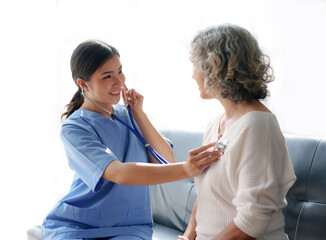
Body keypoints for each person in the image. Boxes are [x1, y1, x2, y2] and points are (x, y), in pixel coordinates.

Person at [42, 39, 222, 240]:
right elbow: (118, 173)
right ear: (83, 84)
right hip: (78, 223)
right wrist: (187, 169)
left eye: (120, 71)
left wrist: (139, 114)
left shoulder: (130, 116)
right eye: (107, 76)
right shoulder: (74, 128)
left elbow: (165, 158)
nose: (119, 82)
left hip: (130, 226)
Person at [179, 24, 297, 240]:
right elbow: (207, 195)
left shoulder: (257, 124)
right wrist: (188, 235)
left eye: (196, 65)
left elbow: (253, 218)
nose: (193, 74)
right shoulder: (216, 124)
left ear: (215, 68)